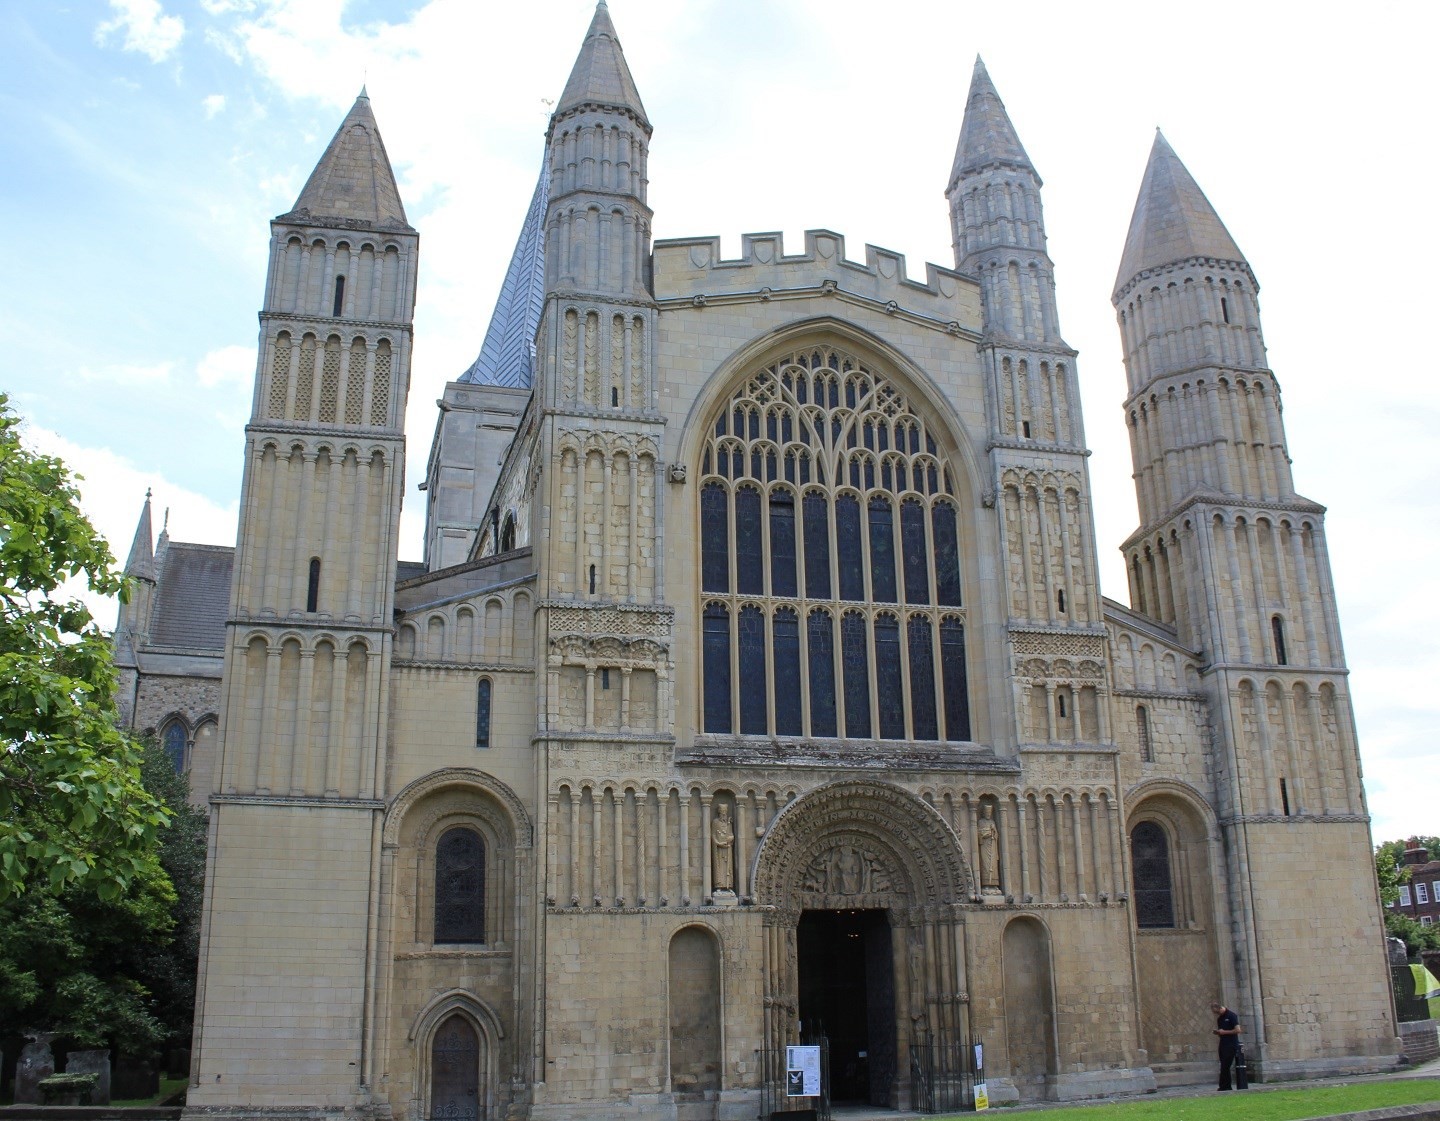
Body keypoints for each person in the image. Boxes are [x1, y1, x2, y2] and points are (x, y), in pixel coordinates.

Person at [1211, 1001, 1242, 1090]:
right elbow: (1221, 1031)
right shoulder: (1220, 1019)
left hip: (1231, 1044)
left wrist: (1224, 1032)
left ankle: (1225, 1086)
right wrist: (1218, 1032)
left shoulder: (1231, 1015)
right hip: (1223, 1043)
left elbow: (1238, 1030)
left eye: (1217, 1012)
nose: (1217, 1014)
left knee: (1226, 1064)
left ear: (1220, 1008)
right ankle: (1225, 1086)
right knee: (1223, 1065)